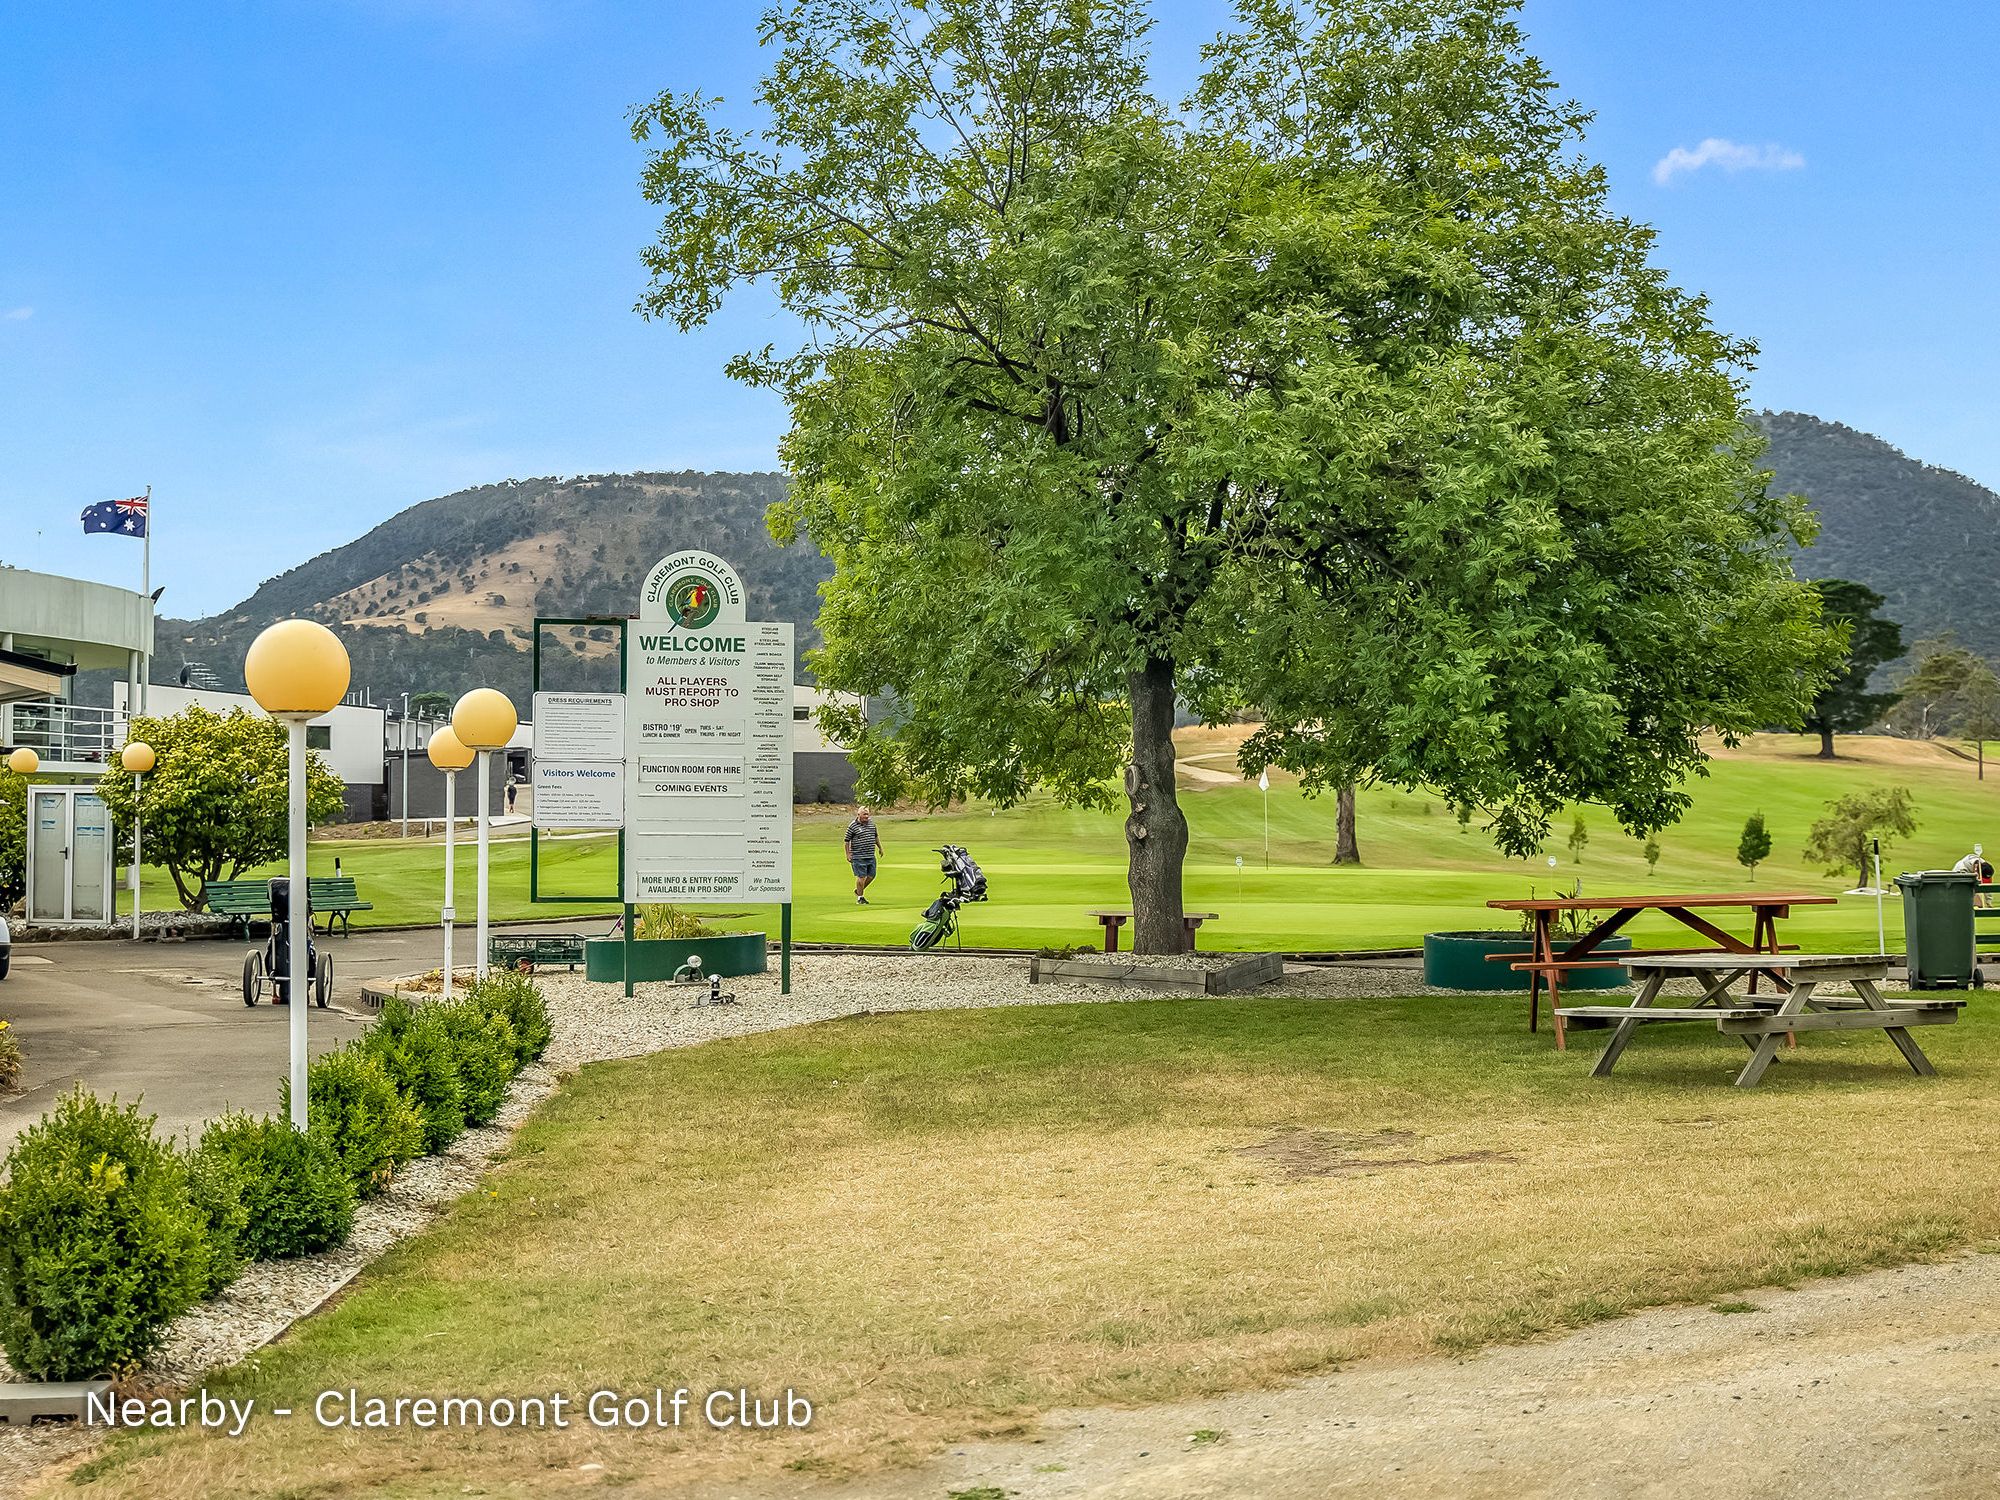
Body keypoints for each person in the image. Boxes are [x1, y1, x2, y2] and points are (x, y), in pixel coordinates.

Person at [844, 806, 883, 904]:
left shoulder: (872, 824)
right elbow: (846, 841)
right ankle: (860, 898)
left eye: (867, 814)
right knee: (861, 877)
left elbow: (875, 837)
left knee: (871, 875)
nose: (866, 816)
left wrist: (880, 848)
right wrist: (848, 854)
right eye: (864, 814)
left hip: (870, 855)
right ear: (858, 815)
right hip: (858, 856)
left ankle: (858, 890)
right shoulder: (853, 826)